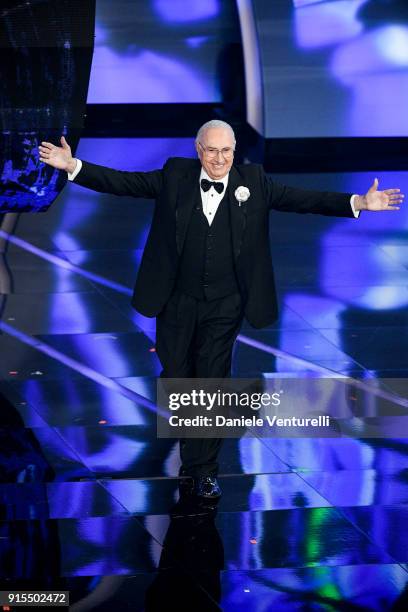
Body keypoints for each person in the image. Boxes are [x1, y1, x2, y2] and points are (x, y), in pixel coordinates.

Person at [38, 119, 404, 500]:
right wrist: (72, 166)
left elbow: (302, 199)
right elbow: (124, 182)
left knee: (210, 381)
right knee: (178, 375)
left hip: (226, 303)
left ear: (234, 152)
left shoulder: (254, 182)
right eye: (211, 151)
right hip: (177, 299)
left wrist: (358, 203)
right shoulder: (175, 176)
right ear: (199, 151)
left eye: (226, 151)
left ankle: (202, 469)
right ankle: (192, 436)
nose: (219, 159)